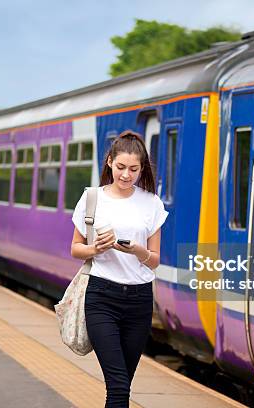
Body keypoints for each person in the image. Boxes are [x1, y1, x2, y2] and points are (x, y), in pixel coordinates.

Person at [70, 130, 168, 407]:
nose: (126, 175)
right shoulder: (92, 198)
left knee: (124, 382)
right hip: (102, 296)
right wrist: (96, 249)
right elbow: (75, 248)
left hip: (139, 300)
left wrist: (139, 251)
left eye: (134, 169)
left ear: (142, 169)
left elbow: (155, 259)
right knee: (118, 385)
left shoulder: (151, 203)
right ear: (109, 162)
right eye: (121, 167)